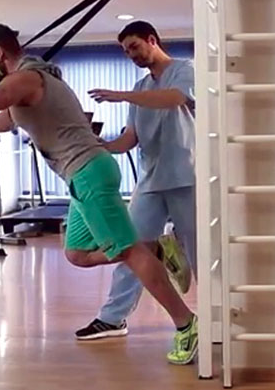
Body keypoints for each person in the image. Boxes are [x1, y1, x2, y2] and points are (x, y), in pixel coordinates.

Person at [0, 23, 197, 365]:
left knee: (129, 252)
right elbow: (7, 118)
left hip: (90, 172)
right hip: (81, 174)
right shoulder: (28, 83)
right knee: (78, 254)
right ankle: (157, 248)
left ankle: (186, 323)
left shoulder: (27, 79)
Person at [74, 20, 197, 341]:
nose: (131, 55)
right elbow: (131, 137)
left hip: (186, 175)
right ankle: (113, 318)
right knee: (132, 247)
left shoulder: (185, 70)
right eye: (126, 51)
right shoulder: (140, 87)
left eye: (134, 47)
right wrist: (99, 147)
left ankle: (218, 317)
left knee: (200, 249)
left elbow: (175, 98)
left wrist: (121, 96)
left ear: (152, 40)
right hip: (151, 180)